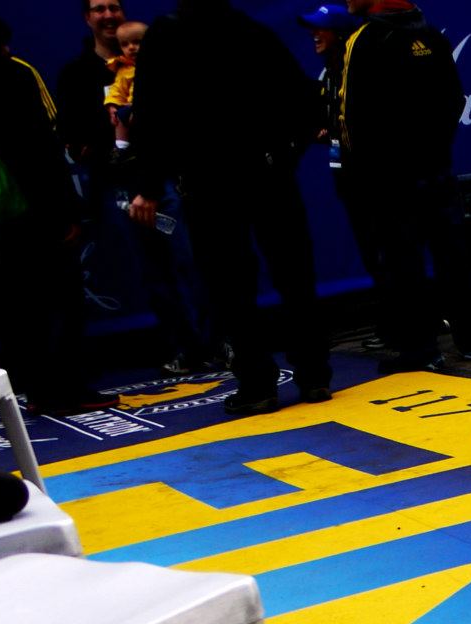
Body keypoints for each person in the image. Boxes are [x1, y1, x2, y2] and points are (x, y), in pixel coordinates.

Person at [127, 0, 332, 415]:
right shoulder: (251, 30)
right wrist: (285, 152)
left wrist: (148, 185)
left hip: (211, 182)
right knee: (292, 273)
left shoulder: (167, 36)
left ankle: (259, 385)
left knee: (231, 285)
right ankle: (313, 376)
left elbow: (150, 114)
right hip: (265, 173)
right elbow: (303, 97)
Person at [0, 0, 110, 415]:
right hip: (35, 214)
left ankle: (34, 390)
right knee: (60, 300)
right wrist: (65, 213)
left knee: (16, 309)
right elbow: (41, 148)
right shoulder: (11, 78)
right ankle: (64, 389)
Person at [56, 0, 217, 375]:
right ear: (87, 18)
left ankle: (219, 342)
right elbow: (72, 135)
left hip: (169, 182)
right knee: (153, 272)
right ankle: (185, 347)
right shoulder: (77, 73)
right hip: (121, 190)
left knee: (192, 260)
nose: (108, 15)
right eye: (99, 9)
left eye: (114, 7)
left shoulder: (161, 60)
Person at [338, 0, 471, 369]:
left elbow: (352, 116)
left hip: (391, 177)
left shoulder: (365, 40)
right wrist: (435, 149)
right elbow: (454, 99)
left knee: (402, 262)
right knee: (452, 254)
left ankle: (421, 350)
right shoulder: (431, 35)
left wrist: (365, 170)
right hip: (436, 168)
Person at [298, 3, 381, 304]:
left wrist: (334, 132)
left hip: (370, 179)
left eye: (321, 28)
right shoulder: (330, 74)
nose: (314, 34)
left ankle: (409, 327)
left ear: (339, 32)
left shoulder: (354, 67)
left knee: (385, 251)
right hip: (348, 180)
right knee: (371, 252)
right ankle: (395, 326)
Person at [102, 18, 143, 148]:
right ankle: (121, 148)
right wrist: (111, 106)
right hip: (129, 107)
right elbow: (117, 90)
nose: (131, 47)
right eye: (125, 44)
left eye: (137, 42)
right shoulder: (124, 70)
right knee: (119, 117)